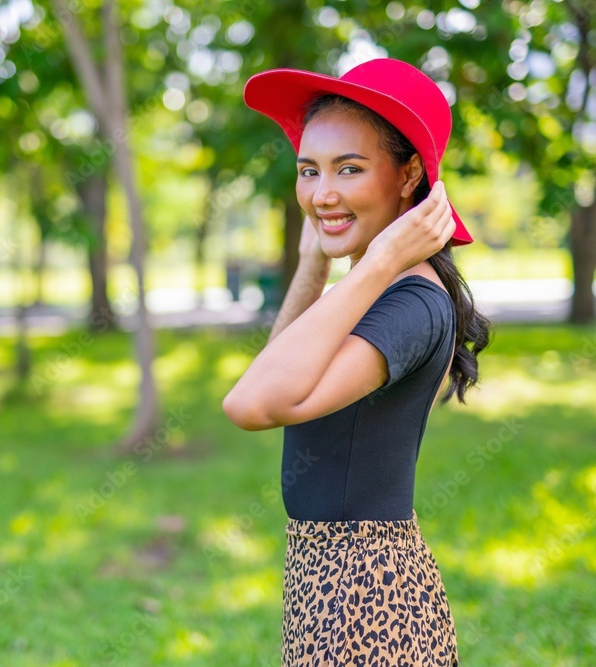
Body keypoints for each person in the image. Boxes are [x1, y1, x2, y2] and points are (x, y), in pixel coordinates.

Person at [222, 58, 492, 666]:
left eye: (350, 168)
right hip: (329, 586)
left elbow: (252, 402)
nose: (323, 193)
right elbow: (283, 367)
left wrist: (377, 261)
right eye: (308, 170)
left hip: (370, 603)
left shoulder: (411, 301)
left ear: (408, 175)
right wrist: (314, 263)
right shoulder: (376, 289)